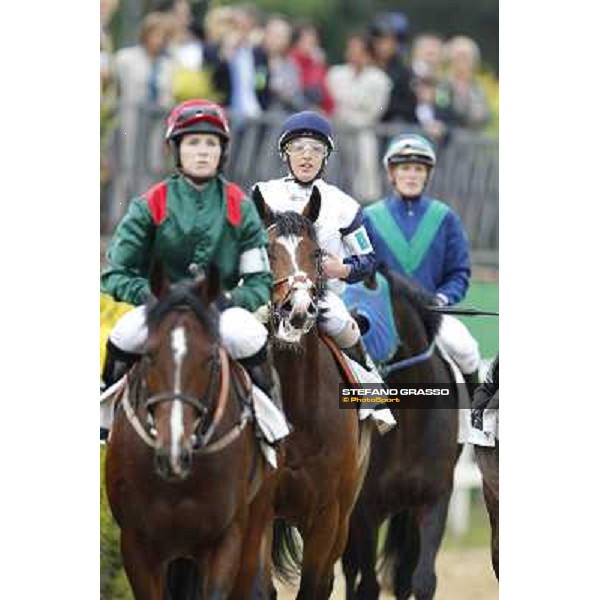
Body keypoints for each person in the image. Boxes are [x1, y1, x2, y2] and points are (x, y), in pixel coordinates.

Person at [100, 99, 282, 428]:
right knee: (124, 335)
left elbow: (259, 282)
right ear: (177, 150)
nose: (202, 151)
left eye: (211, 144)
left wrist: (232, 299)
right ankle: (103, 423)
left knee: (251, 337)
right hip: (157, 309)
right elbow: (114, 273)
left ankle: (269, 428)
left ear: (221, 153)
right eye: (193, 142)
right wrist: (150, 296)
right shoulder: (149, 203)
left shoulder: (240, 205)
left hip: (218, 311)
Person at [252, 110, 396, 432]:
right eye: (299, 147)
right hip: (270, 292)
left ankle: (375, 397)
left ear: (325, 157)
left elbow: (369, 258)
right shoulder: (262, 194)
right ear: (285, 154)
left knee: (344, 325)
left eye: (316, 149)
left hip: (322, 295)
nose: (307, 155)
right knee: (240, 328)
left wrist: (341, 267)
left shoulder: (344, 205)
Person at [364, 134, 481, 392]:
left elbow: (459, 272)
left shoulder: (445, 218)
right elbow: (362, 271)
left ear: (427, 175)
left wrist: (441, 299)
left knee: (465, 348)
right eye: (405, 168)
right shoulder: (369, 218)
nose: (412, 175)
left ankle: (477, 420)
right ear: (391, 173)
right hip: (383, 316)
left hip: (433, 314)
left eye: (419, 169)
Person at [327, 32, 391, 201]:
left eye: (358, 50)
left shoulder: (380, 79)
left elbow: (378, 108)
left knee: (364, 178)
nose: (353, 53)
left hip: (363, 132)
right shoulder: (335, 74)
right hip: (337, 130)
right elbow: (331, 102)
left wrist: (353, 112)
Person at [438, 35, 490, 130]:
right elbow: (442, 110)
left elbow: (484, 116)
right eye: (458, 57)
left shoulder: (477, 89)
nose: (461, 62)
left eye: (465, 57)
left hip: (474, 139)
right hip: (451, 138)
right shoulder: (443, 86)